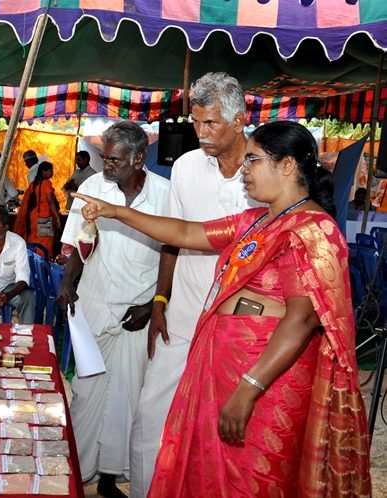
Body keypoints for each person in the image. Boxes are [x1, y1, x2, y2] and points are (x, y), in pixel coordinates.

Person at [73, 120, 371, 497]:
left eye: (253, 161)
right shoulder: (256, 222)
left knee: (255, 476)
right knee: (213, 472)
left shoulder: (313, 230)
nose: (244, 171)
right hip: (224, 365)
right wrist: (116, 212)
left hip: (266, 379)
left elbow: (302, 318)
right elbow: (185, 234)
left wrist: (249, 388)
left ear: (287, 165)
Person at [132, 72, 262, 497]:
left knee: (223, 434)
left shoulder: (266, 169)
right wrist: (160, 300)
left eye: (211, 124)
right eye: (196, 122)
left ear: (240, 120)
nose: (200, 133)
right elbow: (174, 237)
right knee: (151, 419)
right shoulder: (186, 167)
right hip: (183, 318)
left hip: (238, 333)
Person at [57, 121, 169, 498]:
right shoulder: (92, 188)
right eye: (104, 157)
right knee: (87, 392)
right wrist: (67, 283)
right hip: (96, 303)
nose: (106, 166)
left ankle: (109, 478)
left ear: (139, 158)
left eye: (115, 160)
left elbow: (173, 257)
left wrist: (151, 304)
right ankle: (78, 471)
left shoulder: (166, 195)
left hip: (139, 311)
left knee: (128, 396)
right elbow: (77, 243)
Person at [0, 209, 36, 323]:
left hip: (8, 287)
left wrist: (8, 295)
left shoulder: (18, 243)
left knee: (28, 298)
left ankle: (24, 334)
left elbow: (23, 277)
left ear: (6, 227)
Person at [13, 161, 61, 258]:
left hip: (33, 217)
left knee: (33, 240)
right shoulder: (47, 183)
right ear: (43, 171)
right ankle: (42, 264)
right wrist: (57, 217)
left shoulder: (33, 184)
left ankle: (32, 260)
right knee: (45, 243)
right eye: (50, 171)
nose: (52, 173)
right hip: (44, 217)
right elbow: (50, 201)